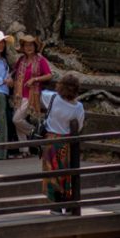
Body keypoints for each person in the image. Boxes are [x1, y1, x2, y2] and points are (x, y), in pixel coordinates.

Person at [37, 73, 86, 213]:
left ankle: (55, 205)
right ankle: (69, 203)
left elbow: (40, 94)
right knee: (66, 173)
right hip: (67, 143)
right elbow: (80, 126)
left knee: (52, 172)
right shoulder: (78, 107)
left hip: (51, 142)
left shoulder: (52, 98)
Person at [11, 34, 54, 137]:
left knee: (16, 119)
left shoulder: (40, 60)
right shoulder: (21, 60)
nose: (29, 48)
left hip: (31, 96)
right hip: (18, 95)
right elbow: (14, 72)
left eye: (31, 45)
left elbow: (49, 75)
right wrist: (10, 78)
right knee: (19, 122)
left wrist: (35, 79)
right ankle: (24, 150)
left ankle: (35, 132)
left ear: (35, 47)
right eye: (26, 46)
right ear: (23, 48)